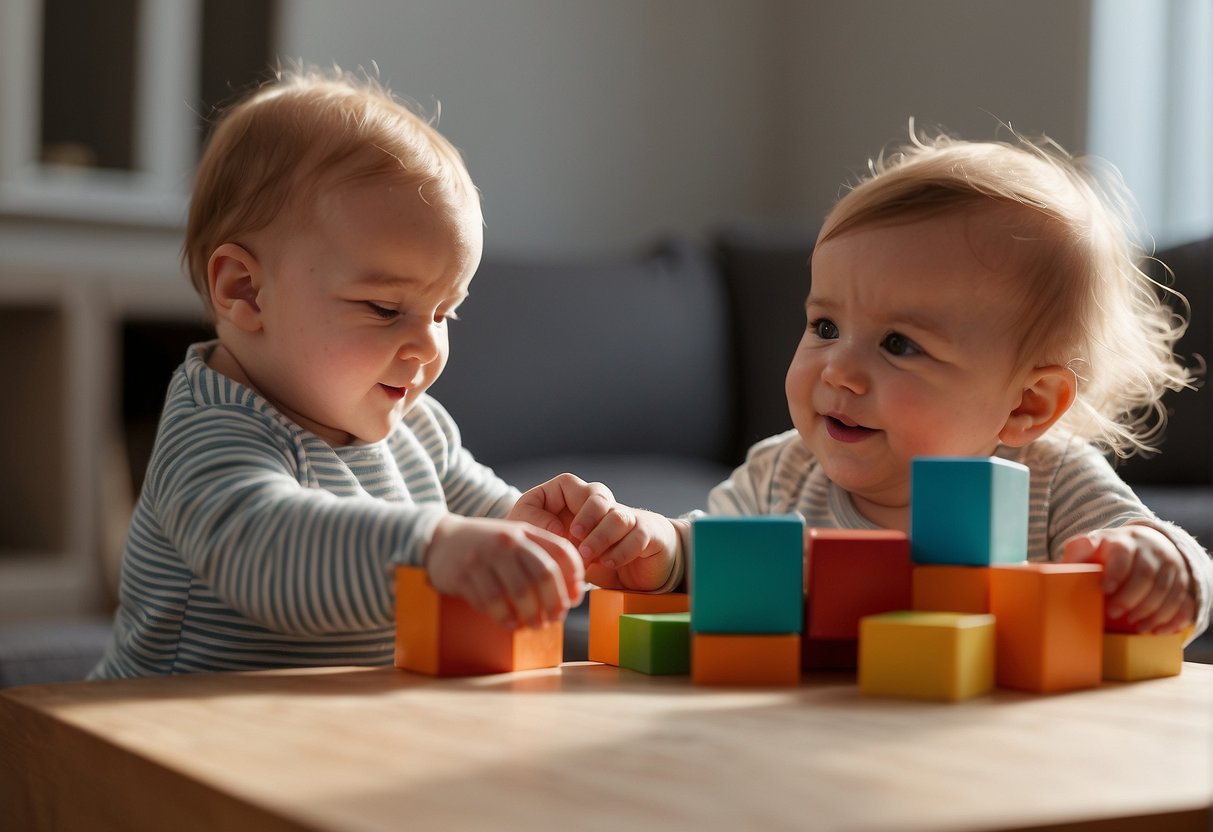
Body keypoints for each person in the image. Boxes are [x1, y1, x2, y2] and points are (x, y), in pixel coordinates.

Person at [90, 67, 679, 679]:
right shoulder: (213, 428)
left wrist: (549, 537)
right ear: (246, 292)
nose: (427, 344)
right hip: (165, 736)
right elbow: (265, 548)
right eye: (384, 308)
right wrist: (434, 548)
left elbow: (480, 520)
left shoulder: (417, 429)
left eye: (444, 312)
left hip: (319, 737)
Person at [574, 129, 1212, 641]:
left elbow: (1169, 562)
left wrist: (1160, 560)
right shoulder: (782, 474)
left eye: (899, 344)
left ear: (1025, 405)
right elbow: (707, 560)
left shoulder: (1050, 480)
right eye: (825, 325)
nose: (839, 370)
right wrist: (656, 551)